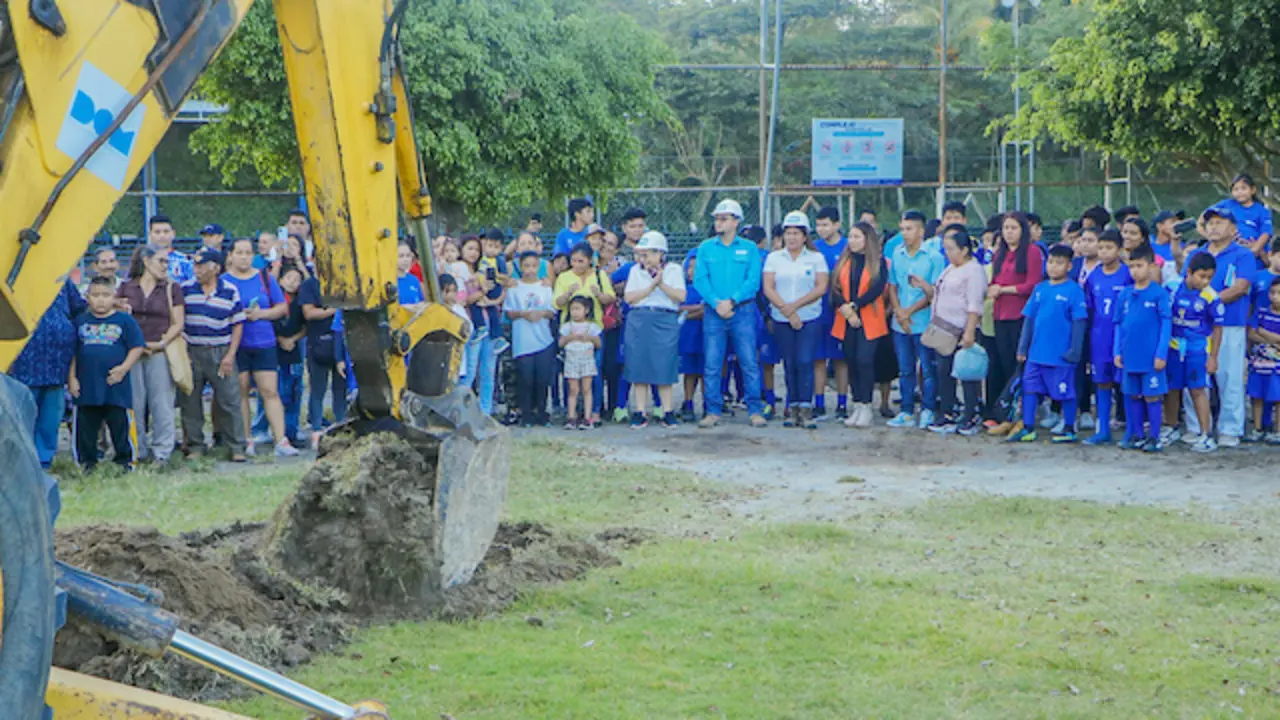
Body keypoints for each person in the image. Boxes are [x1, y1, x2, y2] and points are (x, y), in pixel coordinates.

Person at [1183, 207, 1256, 447]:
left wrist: (1208, 302)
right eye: (1209, 222)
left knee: (1229, 377)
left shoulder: (1242, 255)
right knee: (1193, 378)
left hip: (1231, 323)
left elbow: (1240, 287)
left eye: (1219, 222)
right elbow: (1186, 284)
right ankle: (1196, 427)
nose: (1213, 226)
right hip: (1196, 327)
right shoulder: (1198, 254)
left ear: (1233, 229)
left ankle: (1230, 428)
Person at [693, 199, 767, 428]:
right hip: (714, 312)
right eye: (717, 218)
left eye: (724, 218)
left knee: (749, 362)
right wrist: (717, 303)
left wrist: (732, 301)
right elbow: (700, 279)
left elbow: (753, 280)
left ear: (736, 221)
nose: (719, 222)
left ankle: (755, 409)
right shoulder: (705, 248)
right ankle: (712, 410)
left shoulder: (750, 248)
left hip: (742, 310)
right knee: (712, 363)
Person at [222, 238, 298, 457]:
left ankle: (281, 440)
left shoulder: (264, 277)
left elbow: (282, 307)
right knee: (241, 391)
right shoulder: (224, 281)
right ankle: (246, 440)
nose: (244, 257)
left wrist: (260, 315)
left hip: (264, 342)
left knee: (270, 391)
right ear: (231, 255)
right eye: (239, 252)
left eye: (248, 253)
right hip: (237, 345)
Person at [1007, 245, 1088, 443]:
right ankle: (1027, 428)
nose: (1053, 267)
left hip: (1060, 355)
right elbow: (1029, 320)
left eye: (1059, 263)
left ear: (1069, 266)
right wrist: (1022, 348)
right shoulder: (1040, 289)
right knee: (1030, 389)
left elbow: (1079, 323)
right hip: (1036, 353)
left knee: (1065, 392)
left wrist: (1075, 351)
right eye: (1051, 262)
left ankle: (1069, 428)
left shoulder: (1074, 291)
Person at [117, 244, 185, 465]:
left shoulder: (171, 288)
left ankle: (162, 452)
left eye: (167, 262)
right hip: (132, 352)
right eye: (161, 261)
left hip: (159, 351)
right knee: (135, 403)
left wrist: (161, 343)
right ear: (146, 261)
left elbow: (178, 323)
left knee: (162, 403)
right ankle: (138, 450)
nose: (165, 266)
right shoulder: (127, 287)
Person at [7, 279, 87, 467]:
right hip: (24, 363)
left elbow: (78, 310)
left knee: (51, 418)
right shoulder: (17, 277)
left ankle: (43, 462)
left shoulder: (62, 280)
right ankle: (21, 464)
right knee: (22, 416)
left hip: (57, 363)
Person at [68, 277, 145, 471]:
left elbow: (136, 347)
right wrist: (71, 378)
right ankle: (87, 463)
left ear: (114, 297)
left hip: (115, 385)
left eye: (105, 295)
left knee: (120, 424)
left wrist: (123, 368)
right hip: (87, 384)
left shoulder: (124, 321)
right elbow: (73, 352)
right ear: (87, 298)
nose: (100, 300)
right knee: (85, 426)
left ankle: (125, 461)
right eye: (95, 295)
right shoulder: (80, 322)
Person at [761, 212, 829, 429]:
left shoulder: (816, 258)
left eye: (796, 233)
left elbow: (821, 287)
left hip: (809, 317)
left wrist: (796, 307)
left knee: (805, 360)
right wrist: (787, 311)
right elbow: (768, 287)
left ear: (804, 236)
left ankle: (806, 408)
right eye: (788, 233)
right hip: (781, 318)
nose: (791, 238)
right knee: (789, 363)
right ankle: (792, 408)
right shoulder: (774, 258)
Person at [180, 247, 246, 461]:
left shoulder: (230, 290)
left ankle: (236, 446)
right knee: (190, 400)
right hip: (193, 350)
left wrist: (230, 355)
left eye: (202, 265)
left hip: (221, 350)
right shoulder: (185, 289)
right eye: (195, 265)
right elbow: (178, 320)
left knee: (229, 399)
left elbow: (237, 324)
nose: (197, 269)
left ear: (215, 268)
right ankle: (196, 446)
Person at [886, 210, 947, 429]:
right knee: (905, 369)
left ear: (921, 231)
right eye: (902, 229)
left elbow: (935, 292)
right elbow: (893, 285)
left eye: (909, 229)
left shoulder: (934, 257)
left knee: (928, 369)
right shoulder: (897, 254)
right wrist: (898, 311)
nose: (905, 233)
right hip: (900, 324)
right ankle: (906, 410)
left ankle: (928, 409)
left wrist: (909, 311)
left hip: (924, 322)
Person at [927, 226, 988, 435]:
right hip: (943, 329)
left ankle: (971, 413)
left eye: (951, 249)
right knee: (944, 372)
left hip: (962, 329)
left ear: (964, 250)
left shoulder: (974, 270)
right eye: (945, 249)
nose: (948, 253)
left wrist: (969, 332)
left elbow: (974, 304)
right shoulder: (951, 268)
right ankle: (949, 411)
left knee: (966, 371)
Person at [622, 231, 687, 427]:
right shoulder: (635, 271)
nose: (644, 258)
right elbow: (629, 297)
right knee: (639, 364)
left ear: (660, 253)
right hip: (639, 317)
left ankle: (667, 410)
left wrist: (661, 283)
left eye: (648, 253)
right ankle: (640, 411)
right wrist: (651, 286)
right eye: (642, 254)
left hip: (665, 318)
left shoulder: (673, 269)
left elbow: (680, 296)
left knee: (664, 364)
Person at [987, 212, 1045, 428]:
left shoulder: (1031, 252)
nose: (1009, 232)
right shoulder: (999, 253)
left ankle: (1017, 411)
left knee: (1017, 363)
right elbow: (993, 281)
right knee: (1000, 363)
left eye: (1014, 228)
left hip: (1020, 315)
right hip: (999, 314)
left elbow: (1032, 285)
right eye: (1006, 228)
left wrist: (1004, 290)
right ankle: (1000, 410)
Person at [830, 221, 889, 429]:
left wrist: (855, 306)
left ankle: (866, 406)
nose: (852, 241)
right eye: (851, 236)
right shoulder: (844, 260)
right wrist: (845, 309)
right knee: (851, 361)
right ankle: (856, 404)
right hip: (846, 318)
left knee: (864, 360)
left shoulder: (878, 262)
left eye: (857, 237)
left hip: (868, 317)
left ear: (867, 239)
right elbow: (834, 286)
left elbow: (877, 288)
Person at [1163, 253, 1224, 452]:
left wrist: (1213, 357)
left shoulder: (1211, 297)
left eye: (1209, 277)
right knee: (1172, 388)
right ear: (1189, 272)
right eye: (1202, 276)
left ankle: (1206, 434)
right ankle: (1171, 427)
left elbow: (1217, 328)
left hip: (1197, 350)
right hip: (1173, 348)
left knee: (1198, 390)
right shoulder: (1172, 287)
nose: (1205, 281)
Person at [1113, 246, 1172, 452]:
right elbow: (1119, 324)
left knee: (1152, 396)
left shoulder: (1159, 294)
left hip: (1150, 357)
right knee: (1130, 394)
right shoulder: (1125, 294)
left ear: (1151, 266)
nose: (1135, 271)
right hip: (1130, 355)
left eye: (1139, 266)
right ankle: (1136, 434)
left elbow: (1166, 325)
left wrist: (1161, 353)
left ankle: (1154, 437)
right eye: (1131, 266)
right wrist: (1117, 351)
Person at [553, 242, 615, 424]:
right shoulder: (564, 277)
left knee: (594, 370)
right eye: (573, 261)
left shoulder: (599, 275)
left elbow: (609, 297)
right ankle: (571, 411)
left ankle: (593, 411)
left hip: (594, 329)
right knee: (570, 372)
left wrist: (599, 294)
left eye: (581, 261)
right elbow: (556, 302)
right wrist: (568, 294)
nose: (577, 265)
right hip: (570, 330)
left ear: (590, 261)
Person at [1082, 230, 1133, 445]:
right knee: (1102, 383)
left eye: (1109, 247)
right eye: (1101, 247)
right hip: (1099, 338)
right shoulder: (1093, 276)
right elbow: (1089, 308)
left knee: (1127, 385)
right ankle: (1102, 429)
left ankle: (1133, 430)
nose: (1104, 252)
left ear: (1120, 250)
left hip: (1122, 338)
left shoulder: (1128, 274)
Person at [504, 252, 556, 427]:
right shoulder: (514, 287)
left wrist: (541, 313)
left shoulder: (545, 287)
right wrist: (522, 314)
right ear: (520, 266)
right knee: (525, 378)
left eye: (534, 266)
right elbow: (509, 312)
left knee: (542, 379)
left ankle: (541, 413)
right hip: (523, 340)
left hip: (543, 339)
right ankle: (526, 414)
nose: (530, 270)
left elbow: (551, 311)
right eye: (527, 266)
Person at [298, 272, 344, 447]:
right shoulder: (310, 284)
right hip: (317, 342)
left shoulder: (341, 280)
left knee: (341, 389)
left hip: (340, 341)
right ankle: (316, 428)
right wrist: (333, 310)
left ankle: (340, 425)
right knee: (317, 389)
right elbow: (308, 313)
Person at [811, 207, 849, 421]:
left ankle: (842, 404)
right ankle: (819, 403)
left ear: (836, 225)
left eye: (825, 224)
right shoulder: (814, 248)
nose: (821, 229)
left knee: (841, 360)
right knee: (818, 359)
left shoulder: (847, 247)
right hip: (818, 311)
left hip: (841, 312)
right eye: (818, 225)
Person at [271, 265, 307, 445]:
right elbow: (269, 323)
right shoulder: (274, 302)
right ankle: (278, 431)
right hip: (276, 350)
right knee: (279, 392)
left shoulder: (300, 303)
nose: (293, 283)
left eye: (297, 280)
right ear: (280, 281)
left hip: (294, 351)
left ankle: (292, 431)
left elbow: (305, 327)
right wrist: (280, 339)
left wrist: (293, 339)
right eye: (289, 278)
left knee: (294, 391)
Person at [1208, 173, 1273, 261]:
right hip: (1230, 252)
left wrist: (1255, 249)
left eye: (1243, 188)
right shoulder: (1227, 204)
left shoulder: (1262, 211)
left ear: (1253, 190)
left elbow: (1266, 233)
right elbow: (1205, 217)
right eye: (1236, 189)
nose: (1239, 192)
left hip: (1255, 257)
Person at [1247, 277, 1280, 442]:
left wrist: (1264, 333)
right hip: (1259, 362)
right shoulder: (1261, 311)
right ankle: (1257, 428)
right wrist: (1273, 341)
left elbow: (1258, 331)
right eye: (1272, 292)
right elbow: (1252, 333)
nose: (1275, 297)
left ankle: (1278, 431)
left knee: (1278, 397)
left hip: (1277, 366)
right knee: (1257, 395)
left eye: (1279, 293)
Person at [560, 296, 601, 430]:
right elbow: (560, 343)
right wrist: (569, 338)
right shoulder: (566, 327)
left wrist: (589, 338)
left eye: (578, 309)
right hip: (571, 359)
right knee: (573, 389)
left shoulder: (592, 327)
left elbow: (599, 344)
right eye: (572, 309)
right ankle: (571, 417)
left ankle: (587, 418)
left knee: (587, 389)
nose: (575, 312)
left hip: (587, 359)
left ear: (587, 310)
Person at [679, 250, 705, 422]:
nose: (692, 271)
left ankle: (708, 404)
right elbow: (677, 308)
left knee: (706, 371)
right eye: (690, 267)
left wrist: (687, 312)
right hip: (688, 336)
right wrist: (696, 309)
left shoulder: (708, 288)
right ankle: (688, 402)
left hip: (706, 335)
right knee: (689, 371)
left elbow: (708, 310)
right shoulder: (683, 289)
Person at [148, 214, 194, 284]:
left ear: (173, 233)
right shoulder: (144, 260)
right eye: (157, 232)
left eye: (166, 231)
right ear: (150, 235)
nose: (162, 236)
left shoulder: (185, 261)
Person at [396, 241, 426, 311]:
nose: (405, 259)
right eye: (401, 256)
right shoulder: (390, 282)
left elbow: (421, 301)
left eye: (408, 255)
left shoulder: (414, 280)